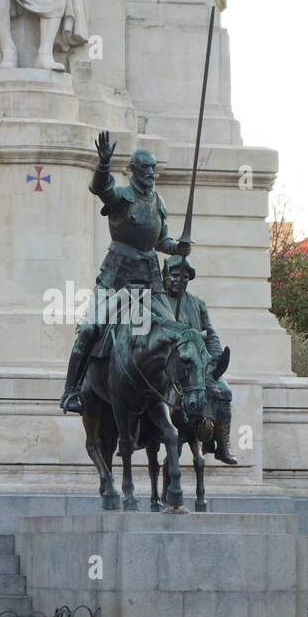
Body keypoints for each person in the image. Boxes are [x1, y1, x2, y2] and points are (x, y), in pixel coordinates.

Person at [60, 132, 189, 412]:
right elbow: (100, 188)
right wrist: (104, 163)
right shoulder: (121, 196)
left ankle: (183, 391)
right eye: (146, 168)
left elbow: (160, 241)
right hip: (116, 276)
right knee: (90, 329)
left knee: (175, 330)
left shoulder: (159, 202)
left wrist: (177, 247)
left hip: (150, 278)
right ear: (134, 170)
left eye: (153, 168)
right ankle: (71, 391)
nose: (151, 173)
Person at [163, 255, 237, 464]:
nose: (179, 280)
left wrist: (214, 359)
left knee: (223, 391)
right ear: (166, 276)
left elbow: (211, 335)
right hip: (168, 364)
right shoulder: (158, 302)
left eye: (185, 277)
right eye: (175, 275)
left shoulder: (197, 304)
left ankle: (220, 444)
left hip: (197, 364)